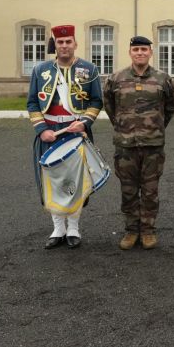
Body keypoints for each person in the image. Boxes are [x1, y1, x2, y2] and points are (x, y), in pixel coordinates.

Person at [26, 25, 103, 250]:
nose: (64, 46)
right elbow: (32, 102)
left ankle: (74, 229)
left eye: (68, 41)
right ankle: (58, 228)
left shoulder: (89, 69)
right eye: (60, 42)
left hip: (76, 133)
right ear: (55, 45)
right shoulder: (40, 70)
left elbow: (96, 101)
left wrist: (85, 122)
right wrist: (42, 130)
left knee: (76, 181)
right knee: (52, 180)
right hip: (49, 133)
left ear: (75, 43)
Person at [103, 36, 174, 251]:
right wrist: (124, 127)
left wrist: (155, 127)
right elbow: (110, 107)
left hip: (153, 145)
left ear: (150, 52)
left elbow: (170, 108)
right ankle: (131, 230)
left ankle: (148, 231)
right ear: (130, 52)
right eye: (136, 49)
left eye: (144, 49)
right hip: (125, 145)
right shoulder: (116, 79)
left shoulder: (163, 79)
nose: (140, 53)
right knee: (128, 190)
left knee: (150, 190)